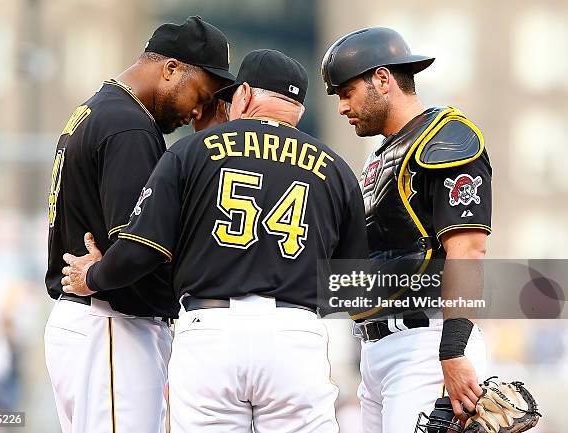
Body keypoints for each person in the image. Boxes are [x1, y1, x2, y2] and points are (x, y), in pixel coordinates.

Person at [60, 49, 368, 433]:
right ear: (298, 110)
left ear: (243, 96)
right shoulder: (336, 169)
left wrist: (94, 277)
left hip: (211, 330)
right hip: (295, 334)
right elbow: (354, 286)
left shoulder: (190, 152)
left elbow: (143, 248)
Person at [44, 16, 234, 433]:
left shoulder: (101, 108)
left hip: (95, 321)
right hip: (112, 323)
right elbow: (138, 245)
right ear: (170, 69)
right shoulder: (129, 125)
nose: (197, 111)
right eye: (200, 94)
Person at [321, 27, 492, 433]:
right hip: (378, 348)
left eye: (347, 92)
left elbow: (468, 250)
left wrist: (453, 351)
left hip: (427, 344)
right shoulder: (383, 154)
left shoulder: (447, 139)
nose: (342, 107)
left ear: (382, 79)